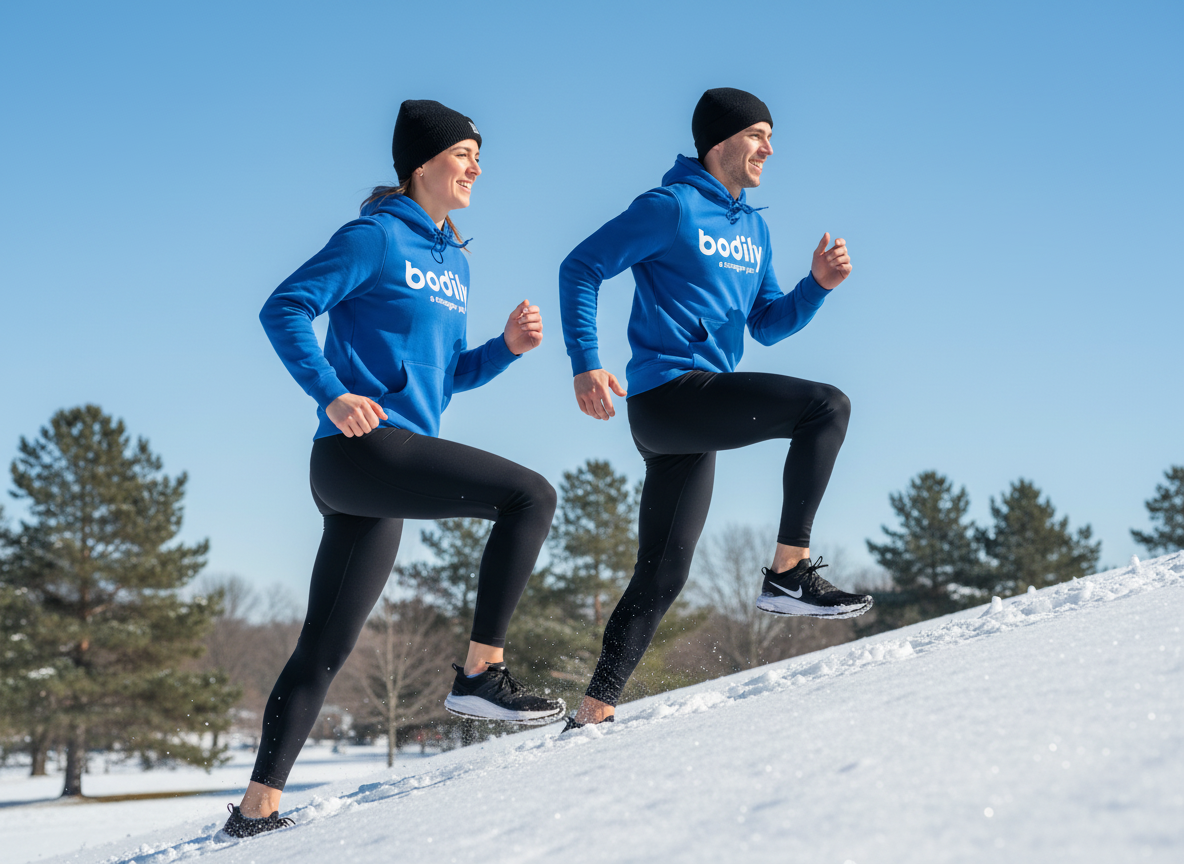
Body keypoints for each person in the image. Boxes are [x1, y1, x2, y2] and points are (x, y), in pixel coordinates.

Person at [222, 100, 564, 838]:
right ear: (421, 163)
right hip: (359, 452)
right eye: (464, 153)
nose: (477, 167)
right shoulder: (374, 237)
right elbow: (284, 307)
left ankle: (256, 810)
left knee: (326, 645)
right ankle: (479, 674)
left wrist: (504, 348)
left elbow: (447, 375)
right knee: (529, 496)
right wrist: (333, 391)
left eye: (479, 155)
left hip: (385, 471)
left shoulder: (457, 261)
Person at [557, 87, 873, 731]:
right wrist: (585, 362)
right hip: (669, 394)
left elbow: (767, 324)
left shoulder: (753, 226)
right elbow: (581, 266)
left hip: (694, 411)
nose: (770, 148)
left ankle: (593, 711)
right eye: (759, 134)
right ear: (721, 141)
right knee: (825, 407)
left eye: (771, 135)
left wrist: (816, 286)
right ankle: (789, 571)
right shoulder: (670, 207)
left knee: (664, 573)